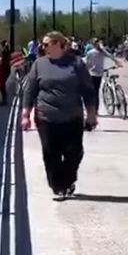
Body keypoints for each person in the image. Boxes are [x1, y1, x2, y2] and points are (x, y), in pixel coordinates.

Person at [21, 31, 98, 201]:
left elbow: (88, 90)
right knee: (51, 153)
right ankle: (58, 186)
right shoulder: (39, 64)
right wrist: (25, 114)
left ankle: (68, 180)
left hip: (72, 116)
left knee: (74, 152)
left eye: (46, 44)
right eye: (43, 44)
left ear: (58, 44)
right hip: (46, 116)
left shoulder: (76, 63)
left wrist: (91, 114)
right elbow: (30, 90)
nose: (42, 47)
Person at [84, 38, 124, 112]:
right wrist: (117, 62)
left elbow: (87, 63)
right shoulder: (95, 52)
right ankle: (95, 109)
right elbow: (110, 56)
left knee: (95, 92)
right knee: (96, 92)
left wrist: (117, 62)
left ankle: (95, 110)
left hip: (95, 74)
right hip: (95, 73)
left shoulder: (98, 52)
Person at [0, 40, 12, 105]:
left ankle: (5, 100)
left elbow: (2, 61)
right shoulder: (7, 51)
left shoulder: (3, 52)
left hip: (4, 70)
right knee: (2, 85)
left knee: (2, 85)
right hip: (7, 69)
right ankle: (5, 99)